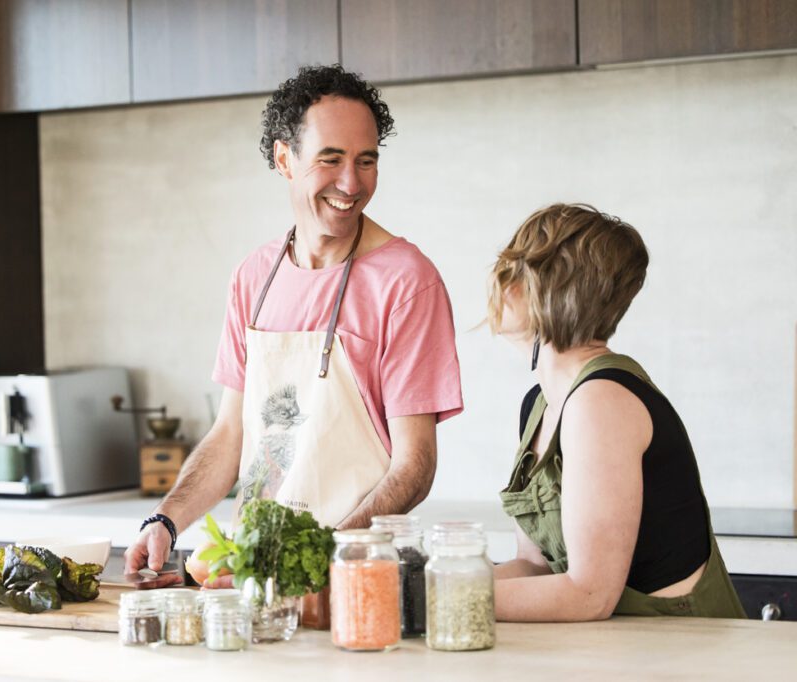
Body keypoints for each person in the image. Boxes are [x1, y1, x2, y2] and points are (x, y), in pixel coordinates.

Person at [125, 65, 463, 578]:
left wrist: (322, 560)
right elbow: (230, 436)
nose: (351, 183)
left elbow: (414, 466)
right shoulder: (254, 278)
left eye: (366, 161)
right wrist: (166, 520)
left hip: (352, 576)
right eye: (331, 159)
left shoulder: (406, 283)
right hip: (255, 574)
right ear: (285, 158)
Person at [488, 203, 745, 620]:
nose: (500, 284)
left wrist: (437, 601)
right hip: (620, 649)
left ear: (547, 288)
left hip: (681, 653)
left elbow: (589, 595)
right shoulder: (540, 404)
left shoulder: (600, 402)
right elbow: (535, 567)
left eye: (513, 269)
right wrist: (434, 582)